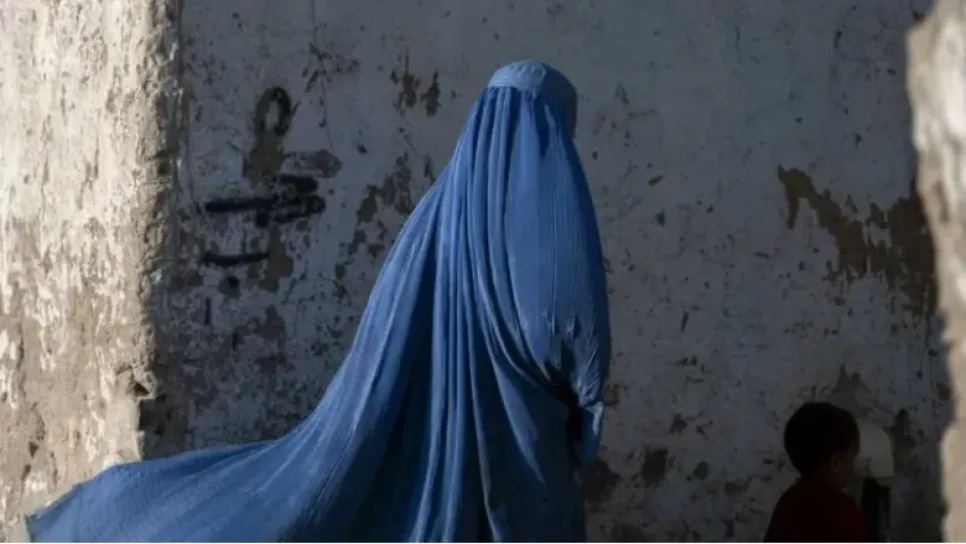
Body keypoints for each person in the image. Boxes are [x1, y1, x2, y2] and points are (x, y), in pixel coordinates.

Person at [24, 60, 611, 542]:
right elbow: (565, 322)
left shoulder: (432, 222)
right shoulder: (549, 210)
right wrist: (585, 402)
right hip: (521, 442)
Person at [764, 401, 866, 542]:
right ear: (836, 463)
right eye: (853, 457)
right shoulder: (841, 510)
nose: (855, 466)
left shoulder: (788, 501)